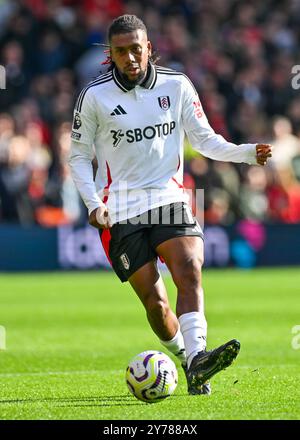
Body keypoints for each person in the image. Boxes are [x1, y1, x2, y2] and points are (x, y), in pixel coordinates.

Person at [69, 14, 272, 395]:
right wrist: (93, 204)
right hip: (119, 209)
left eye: (136, 49)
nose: (130, 58)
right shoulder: (94, 97)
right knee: (157, 305)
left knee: (190, 266)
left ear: (149, 48)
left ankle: (198, 357)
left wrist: (246, 153)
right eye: (120, 52)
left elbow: (205, 139)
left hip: (168, 197)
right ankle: (184, 357)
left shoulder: (177, 86)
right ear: (109, 55)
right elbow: (78, 157)